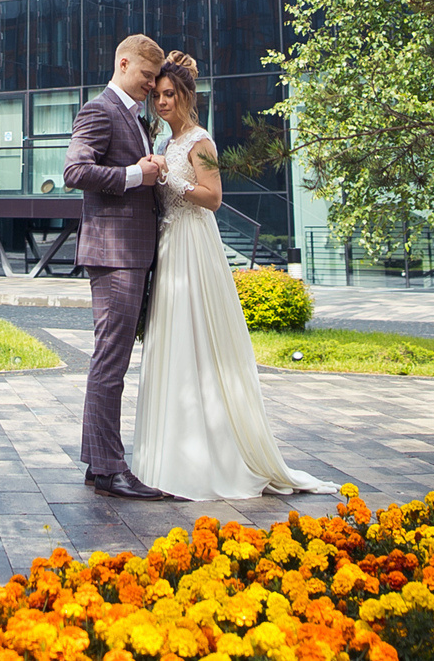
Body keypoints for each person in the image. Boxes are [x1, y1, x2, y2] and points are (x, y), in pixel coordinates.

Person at [131, 50, 337, 501]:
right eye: (158, 95)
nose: (161, 102)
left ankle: (214, 455)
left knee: (198, 340)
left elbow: (214, 198)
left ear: (186, 96)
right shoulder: (165, 143)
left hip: (195, 247)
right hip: (170, 249)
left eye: (169, 95)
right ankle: (169, 450)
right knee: (172, 342)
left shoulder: (200, 142)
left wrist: (172, 180)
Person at [62, 32, 181, 501]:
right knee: (110, 362)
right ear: (124, 63)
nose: (152, 87)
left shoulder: (134, 117)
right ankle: (111, 471)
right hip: (114, 255)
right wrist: (138, 175)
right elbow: (75, 171)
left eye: (156, 80)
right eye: (147, 77)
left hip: (132, 253)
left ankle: (99, 463)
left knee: (113, 360)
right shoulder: (100, 109)